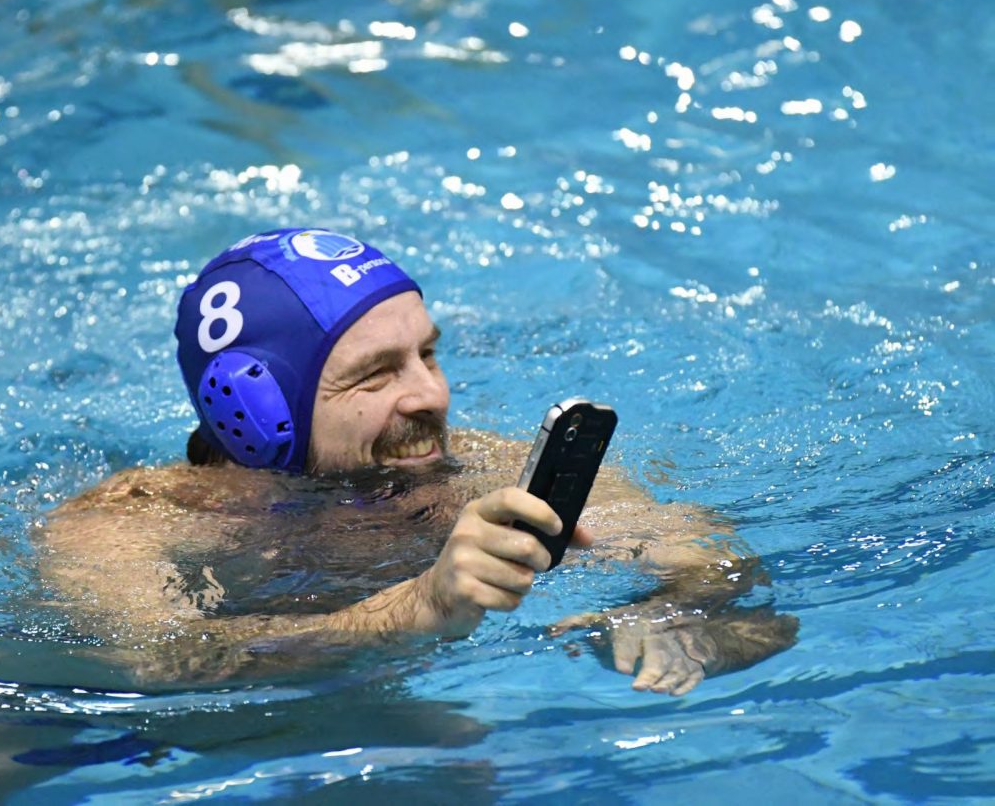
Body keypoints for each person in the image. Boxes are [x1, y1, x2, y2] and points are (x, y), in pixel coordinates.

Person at [40, 228, 797, 696]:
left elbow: (721, 570)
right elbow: (161, 662)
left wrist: (678, 613)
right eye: (376, 374)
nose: (432, 395)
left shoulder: (483, 472)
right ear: (258, 408)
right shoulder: (134, 521)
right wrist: (418, 608)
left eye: (428, 354)